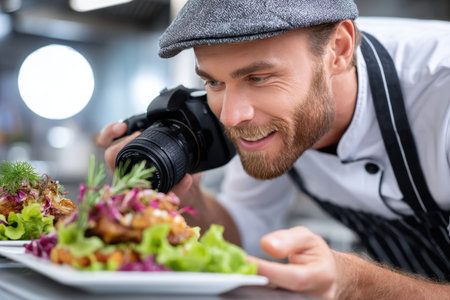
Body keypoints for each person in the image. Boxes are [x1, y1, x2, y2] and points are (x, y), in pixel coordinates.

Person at [97, 0, 450, 298]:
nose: (233, 117)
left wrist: (353, 281)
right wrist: (186, 196)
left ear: (339, 50)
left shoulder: (441, 89)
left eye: (258, 78)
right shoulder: (269, 123)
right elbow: (245, 231)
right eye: (214, 82)